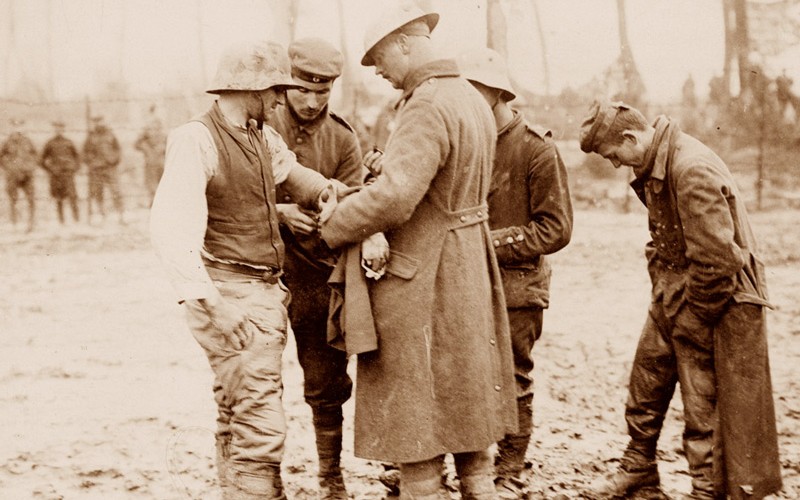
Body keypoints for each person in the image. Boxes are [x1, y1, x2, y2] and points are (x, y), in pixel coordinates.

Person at [318, 4, 518, 498]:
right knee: (469, 416)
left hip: (424, 278)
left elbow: (395, 196)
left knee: (416, 424)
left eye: (381, 57)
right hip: (468, 265)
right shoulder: (471, 97)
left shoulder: (426, 104)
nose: (379, 70)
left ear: (406, 41)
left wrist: (335, 224)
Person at [150, 39, 342, 500]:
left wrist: (334, 194)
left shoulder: (260, 135)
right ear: (250, 88)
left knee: (236, 409)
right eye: (275, 89)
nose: (282, 99)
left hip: (258, 292)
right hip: (230, 293)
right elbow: (171, 231)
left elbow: (295, 175)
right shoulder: (197, 138)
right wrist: (216, 306)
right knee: (260, 424)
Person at [579, 101, 782, 500]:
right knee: (646, 381)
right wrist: (664, 290)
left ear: (630, 138)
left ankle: (705, 490)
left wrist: (693, 317)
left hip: (721, 298)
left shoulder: (690, 168)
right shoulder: (658, 160)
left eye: (614, 155)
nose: (617, 165)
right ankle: (639, 468)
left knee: (702, 402)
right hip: (677, 288)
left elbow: (719, 261)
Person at [458, 47, 574, 498]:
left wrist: (489, 243)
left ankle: (510, 470)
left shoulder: (536, 150)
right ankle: (476, 468)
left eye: (475, 95)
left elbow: (556, 228)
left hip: (517, 286)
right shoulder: (469, 140)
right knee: (465, 374)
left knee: (514, 378)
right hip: (468, 284)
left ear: (496, 95)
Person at [265, 36, 363, 499]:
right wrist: (280, 212)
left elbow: (356, 203)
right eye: (303, 89)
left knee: (325, 379)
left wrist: (329, 214)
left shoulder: (343, 139)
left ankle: (331, 476)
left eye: (323, 91)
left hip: (316, 271)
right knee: (259, 379)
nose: (311, 101)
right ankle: (263, 477)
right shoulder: (260, 122)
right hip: (261, 268)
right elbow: (231, 192)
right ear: (287, 84)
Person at [83, 115, 124, 224]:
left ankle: (120, 215)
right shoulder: (90, 137)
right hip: (97, 169)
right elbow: (85, 153)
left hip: (110, 168)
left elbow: (118, 149)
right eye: (96, 122)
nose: (98, 124)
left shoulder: (110, 134)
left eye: (100, 121)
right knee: (98, 192)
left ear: (104, 122)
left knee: (116, 191)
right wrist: (92, 162)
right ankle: (102, 215)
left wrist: (114, 160)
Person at [0, 118, 38, 232]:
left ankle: (31, 224)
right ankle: (14, 224)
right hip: (12, 175)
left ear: (23, 127)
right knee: (13, 199)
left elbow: (35, 155)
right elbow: (1, 157)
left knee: (31, 199)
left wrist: (30, 167)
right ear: (12, 127)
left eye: (20, 125)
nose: (18, 128)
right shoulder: (7, 142)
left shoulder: (28, 141)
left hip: (27, 175)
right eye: (15, 126)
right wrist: (9, 167)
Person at [41, 120, 81, 224]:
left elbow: (77, 157)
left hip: (68, 174)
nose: (58, 130)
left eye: (60, 128)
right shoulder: (50, 143)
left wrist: (74, 168)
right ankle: (61, 221)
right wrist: (50, 170)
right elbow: (41, 159)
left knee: (72, 196)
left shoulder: (69, 142)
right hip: (56, 175)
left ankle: (76, 219)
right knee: (59, 198)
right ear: (54, 129)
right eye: (56, 128)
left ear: (63, 129)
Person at [134, 110, 167, 203]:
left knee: (161, 184)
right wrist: (145, 146)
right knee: (152, 185)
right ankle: (156, 201)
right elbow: (136, 145)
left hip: (161, 164)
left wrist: (162, 148)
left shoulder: (164, 136)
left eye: (156, 125)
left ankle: (160, 201)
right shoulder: (146, 137)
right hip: (151, 164)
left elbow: (169, 147)